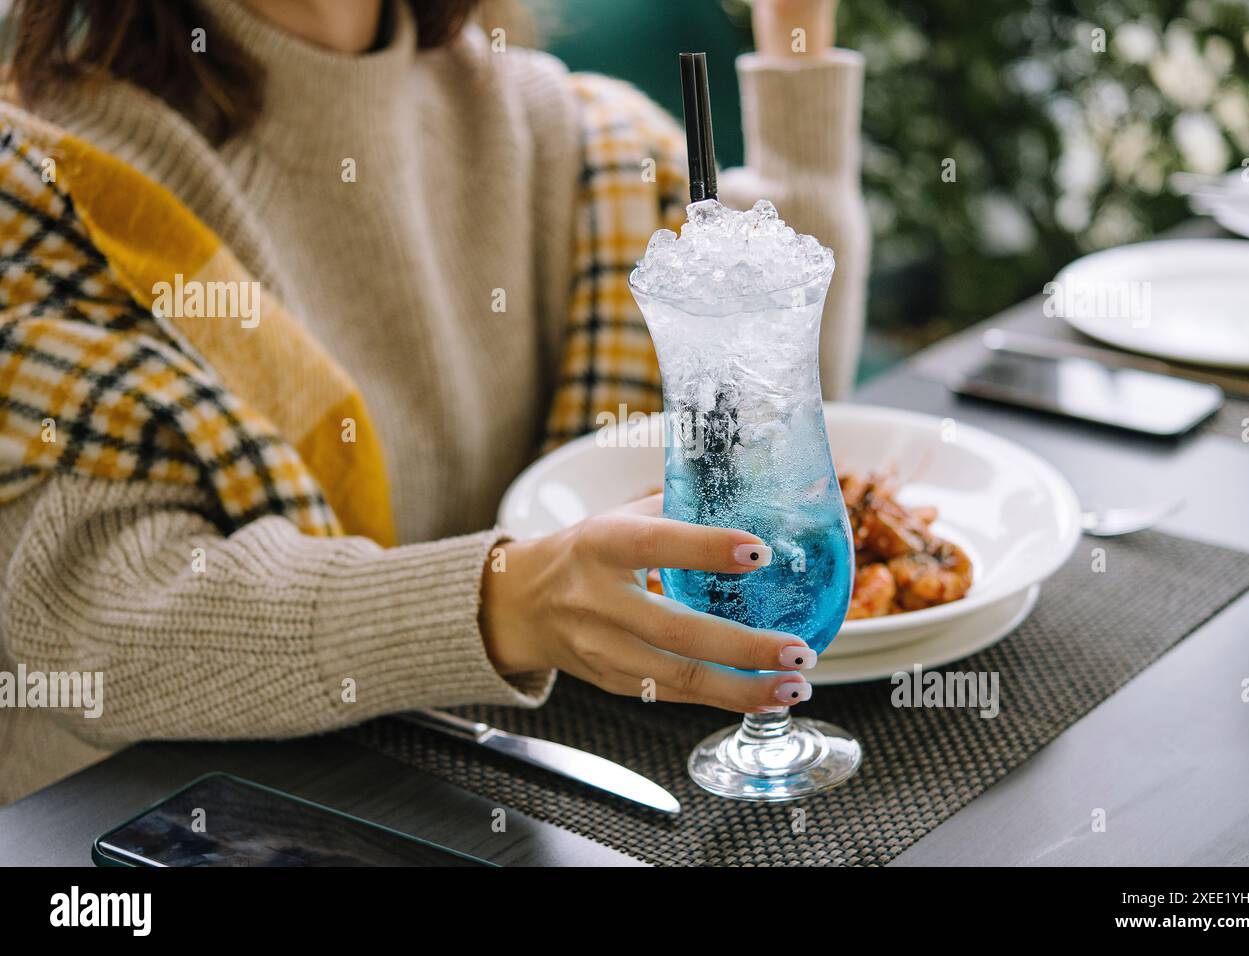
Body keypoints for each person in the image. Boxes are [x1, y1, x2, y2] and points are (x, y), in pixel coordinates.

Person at [0, 0, 867, 803]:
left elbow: (770, 394)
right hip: (147, 817)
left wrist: (798, 44)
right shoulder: (51, 177)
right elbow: (93, 619)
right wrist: (498, 603)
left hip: (491, 784)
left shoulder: (556, 125)